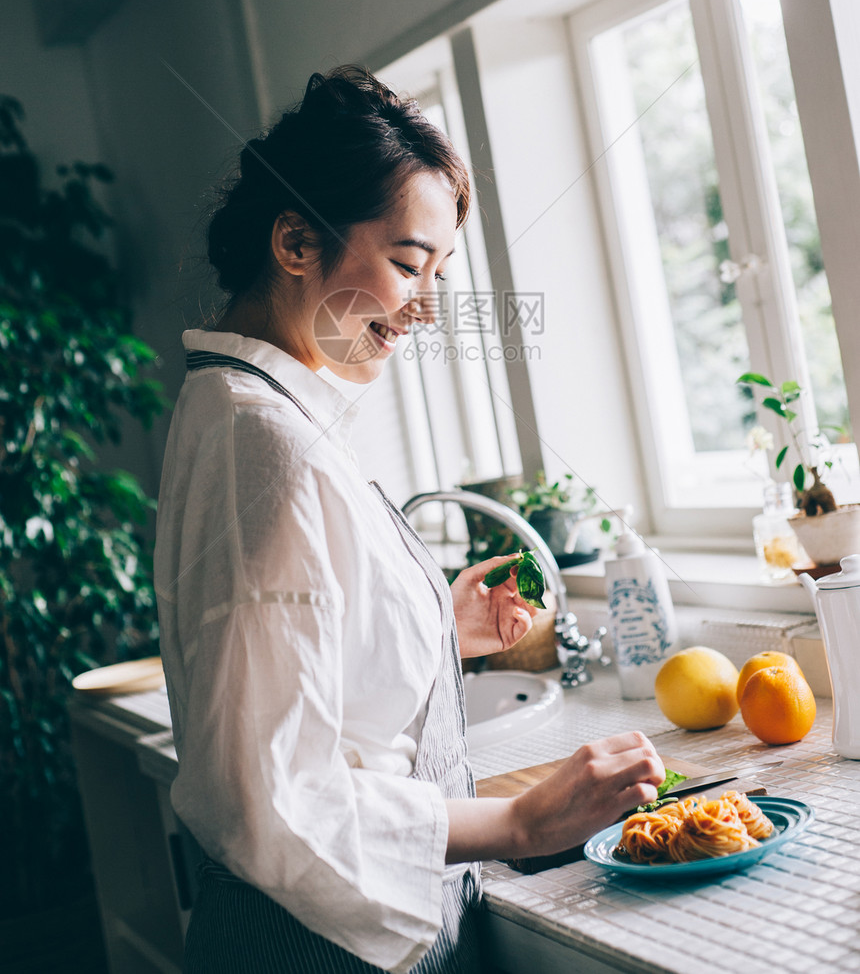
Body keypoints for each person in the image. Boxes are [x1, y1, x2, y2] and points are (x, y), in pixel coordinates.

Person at [154, 66, 663, 974]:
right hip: (311, 950)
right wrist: (520, 820)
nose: (425, 308)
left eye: (437, 273)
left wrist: (441, 629)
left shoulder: (254, 407)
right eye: (404, 263)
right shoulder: (263, 439)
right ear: (296, 242)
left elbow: (303, 660)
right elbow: (274, 798)